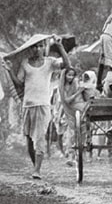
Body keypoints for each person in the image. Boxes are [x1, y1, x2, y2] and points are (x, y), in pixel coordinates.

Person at [3, 36, 69, 179]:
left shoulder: (50, 62)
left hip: (43, 105)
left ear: (44, 47)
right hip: (27, 105)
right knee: (29, 138)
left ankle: (37, 170)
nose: (37, 49)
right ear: (30, 49)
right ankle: (35, 167)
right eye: (34, 47)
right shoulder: (25, 63)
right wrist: (9, 70)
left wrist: (60, 47)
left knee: (39, 138)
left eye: (40, 46)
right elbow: (19, 83)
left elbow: (67, 66)